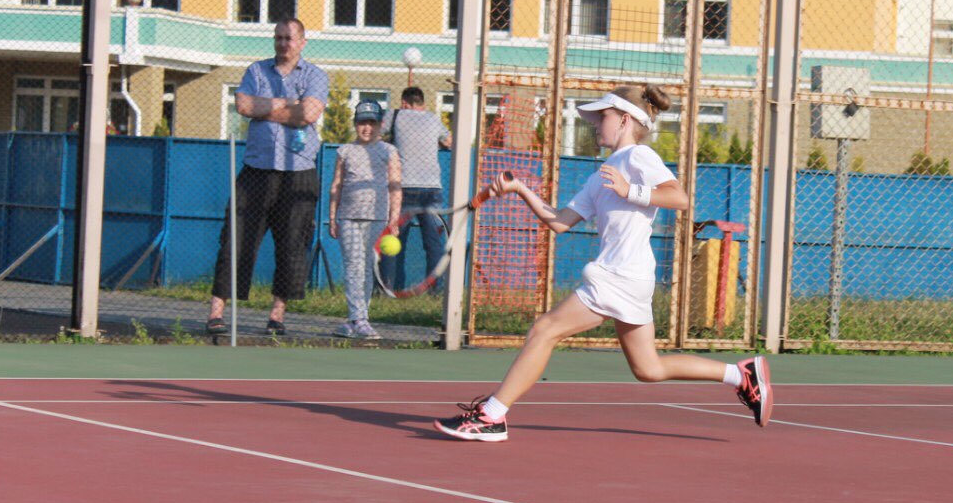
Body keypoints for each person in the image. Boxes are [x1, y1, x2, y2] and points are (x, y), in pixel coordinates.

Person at [434, 83, 772, 442]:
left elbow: (680, 198)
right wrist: (519, 189)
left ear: (625, 119)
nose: (596, 123)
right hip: (630, 277)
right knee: (648, 368)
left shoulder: (638, 156)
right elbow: (559, 221)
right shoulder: (603, 174)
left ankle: (492, 415)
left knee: (545, 330)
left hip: (619, 275)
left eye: (603, 116)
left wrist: (631, 191)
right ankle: (741, 376)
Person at [206, 18, 328, 336]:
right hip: (257, 171)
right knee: (235, 240)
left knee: (291, 245)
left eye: (289, 38)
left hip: (298, 173)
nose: (283, 43)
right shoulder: (257, 71)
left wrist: (266, 108)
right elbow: (243, 104)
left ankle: (277, 316)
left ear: (302, 42)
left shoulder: (315, 75)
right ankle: (217, 312)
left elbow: (309, 114)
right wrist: (289, 104)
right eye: (278, 37)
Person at [328, 101, 401, 340]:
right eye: (362, 123)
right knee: (354, 266)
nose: (367, 128)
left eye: (372, 123)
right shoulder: (345, 151)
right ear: (355, 124)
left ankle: (358, 319)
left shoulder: (388, 151)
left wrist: (394, 218)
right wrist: (332, 216)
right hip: (348, 217)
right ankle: (358, 318)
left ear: (380, 125)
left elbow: (395, 186)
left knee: (367, 267)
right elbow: (336, 185)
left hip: (377, 218)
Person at [381, 87, 451, 291]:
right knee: (433, 242)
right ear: (422, 103)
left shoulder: (395, 115)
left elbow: (377, 133)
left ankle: (387, 288)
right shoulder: (433, 118)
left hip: (402, 187)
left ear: (404, 103)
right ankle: (435, 290)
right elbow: (449, 141)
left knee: (393, 238)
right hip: (431, 188)